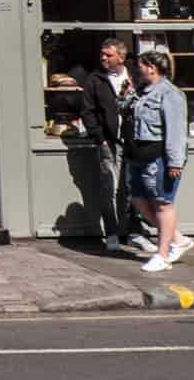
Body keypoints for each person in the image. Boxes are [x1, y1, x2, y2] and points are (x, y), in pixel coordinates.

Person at [128, 50, 192, 273]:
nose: (138, 70)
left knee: (163, 203)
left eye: (140, 66)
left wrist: (175, 162)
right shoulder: (141, 92)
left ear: (152, 68)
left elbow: (176, 131)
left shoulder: (170, 94)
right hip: (138, 155)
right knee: (138, 200)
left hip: (158, 157)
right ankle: (178, 240)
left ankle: (162, 255)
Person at [82, 37, 138, 253]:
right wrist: (100, 138)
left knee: (135, 188)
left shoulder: (135, 75)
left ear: (121, 57)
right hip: (109, 141)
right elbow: (88, 111)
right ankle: (112, 233)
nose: (103, 58)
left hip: (135, 141)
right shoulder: (95, 79)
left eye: (108, 55)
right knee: (109, 188)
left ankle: (135, 233)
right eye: (102, 54)